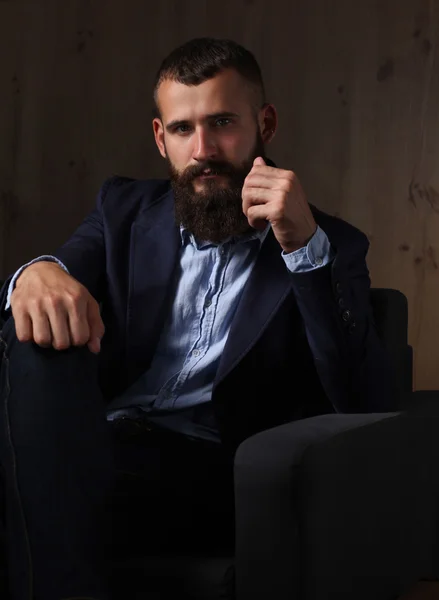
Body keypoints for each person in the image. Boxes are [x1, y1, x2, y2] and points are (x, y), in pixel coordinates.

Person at [0, 37, 397, 600]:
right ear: (161, 139)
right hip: (87, 436)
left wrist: (304, 249)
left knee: (37, 475)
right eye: (183, 129)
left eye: (223, 122)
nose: (203, 149)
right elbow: (59, 275)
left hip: (199, 469)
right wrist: (35, 271)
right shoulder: (122, 210)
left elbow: (364, 399)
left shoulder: (332, 245)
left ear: (266, 123)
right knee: (33, 341)